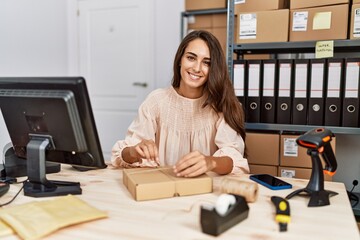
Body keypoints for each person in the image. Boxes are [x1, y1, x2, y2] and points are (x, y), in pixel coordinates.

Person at [111, 30, 249, 177]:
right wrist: (134, 150)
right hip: (162, 190)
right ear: (180, 60)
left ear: (214, 69)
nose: (196, 68)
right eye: (191, 58)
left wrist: (211, 162)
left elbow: (234, 159)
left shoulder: (221, 105)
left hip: (206, 191)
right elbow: (122, 156)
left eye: (206, 63)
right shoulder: (156, 101)